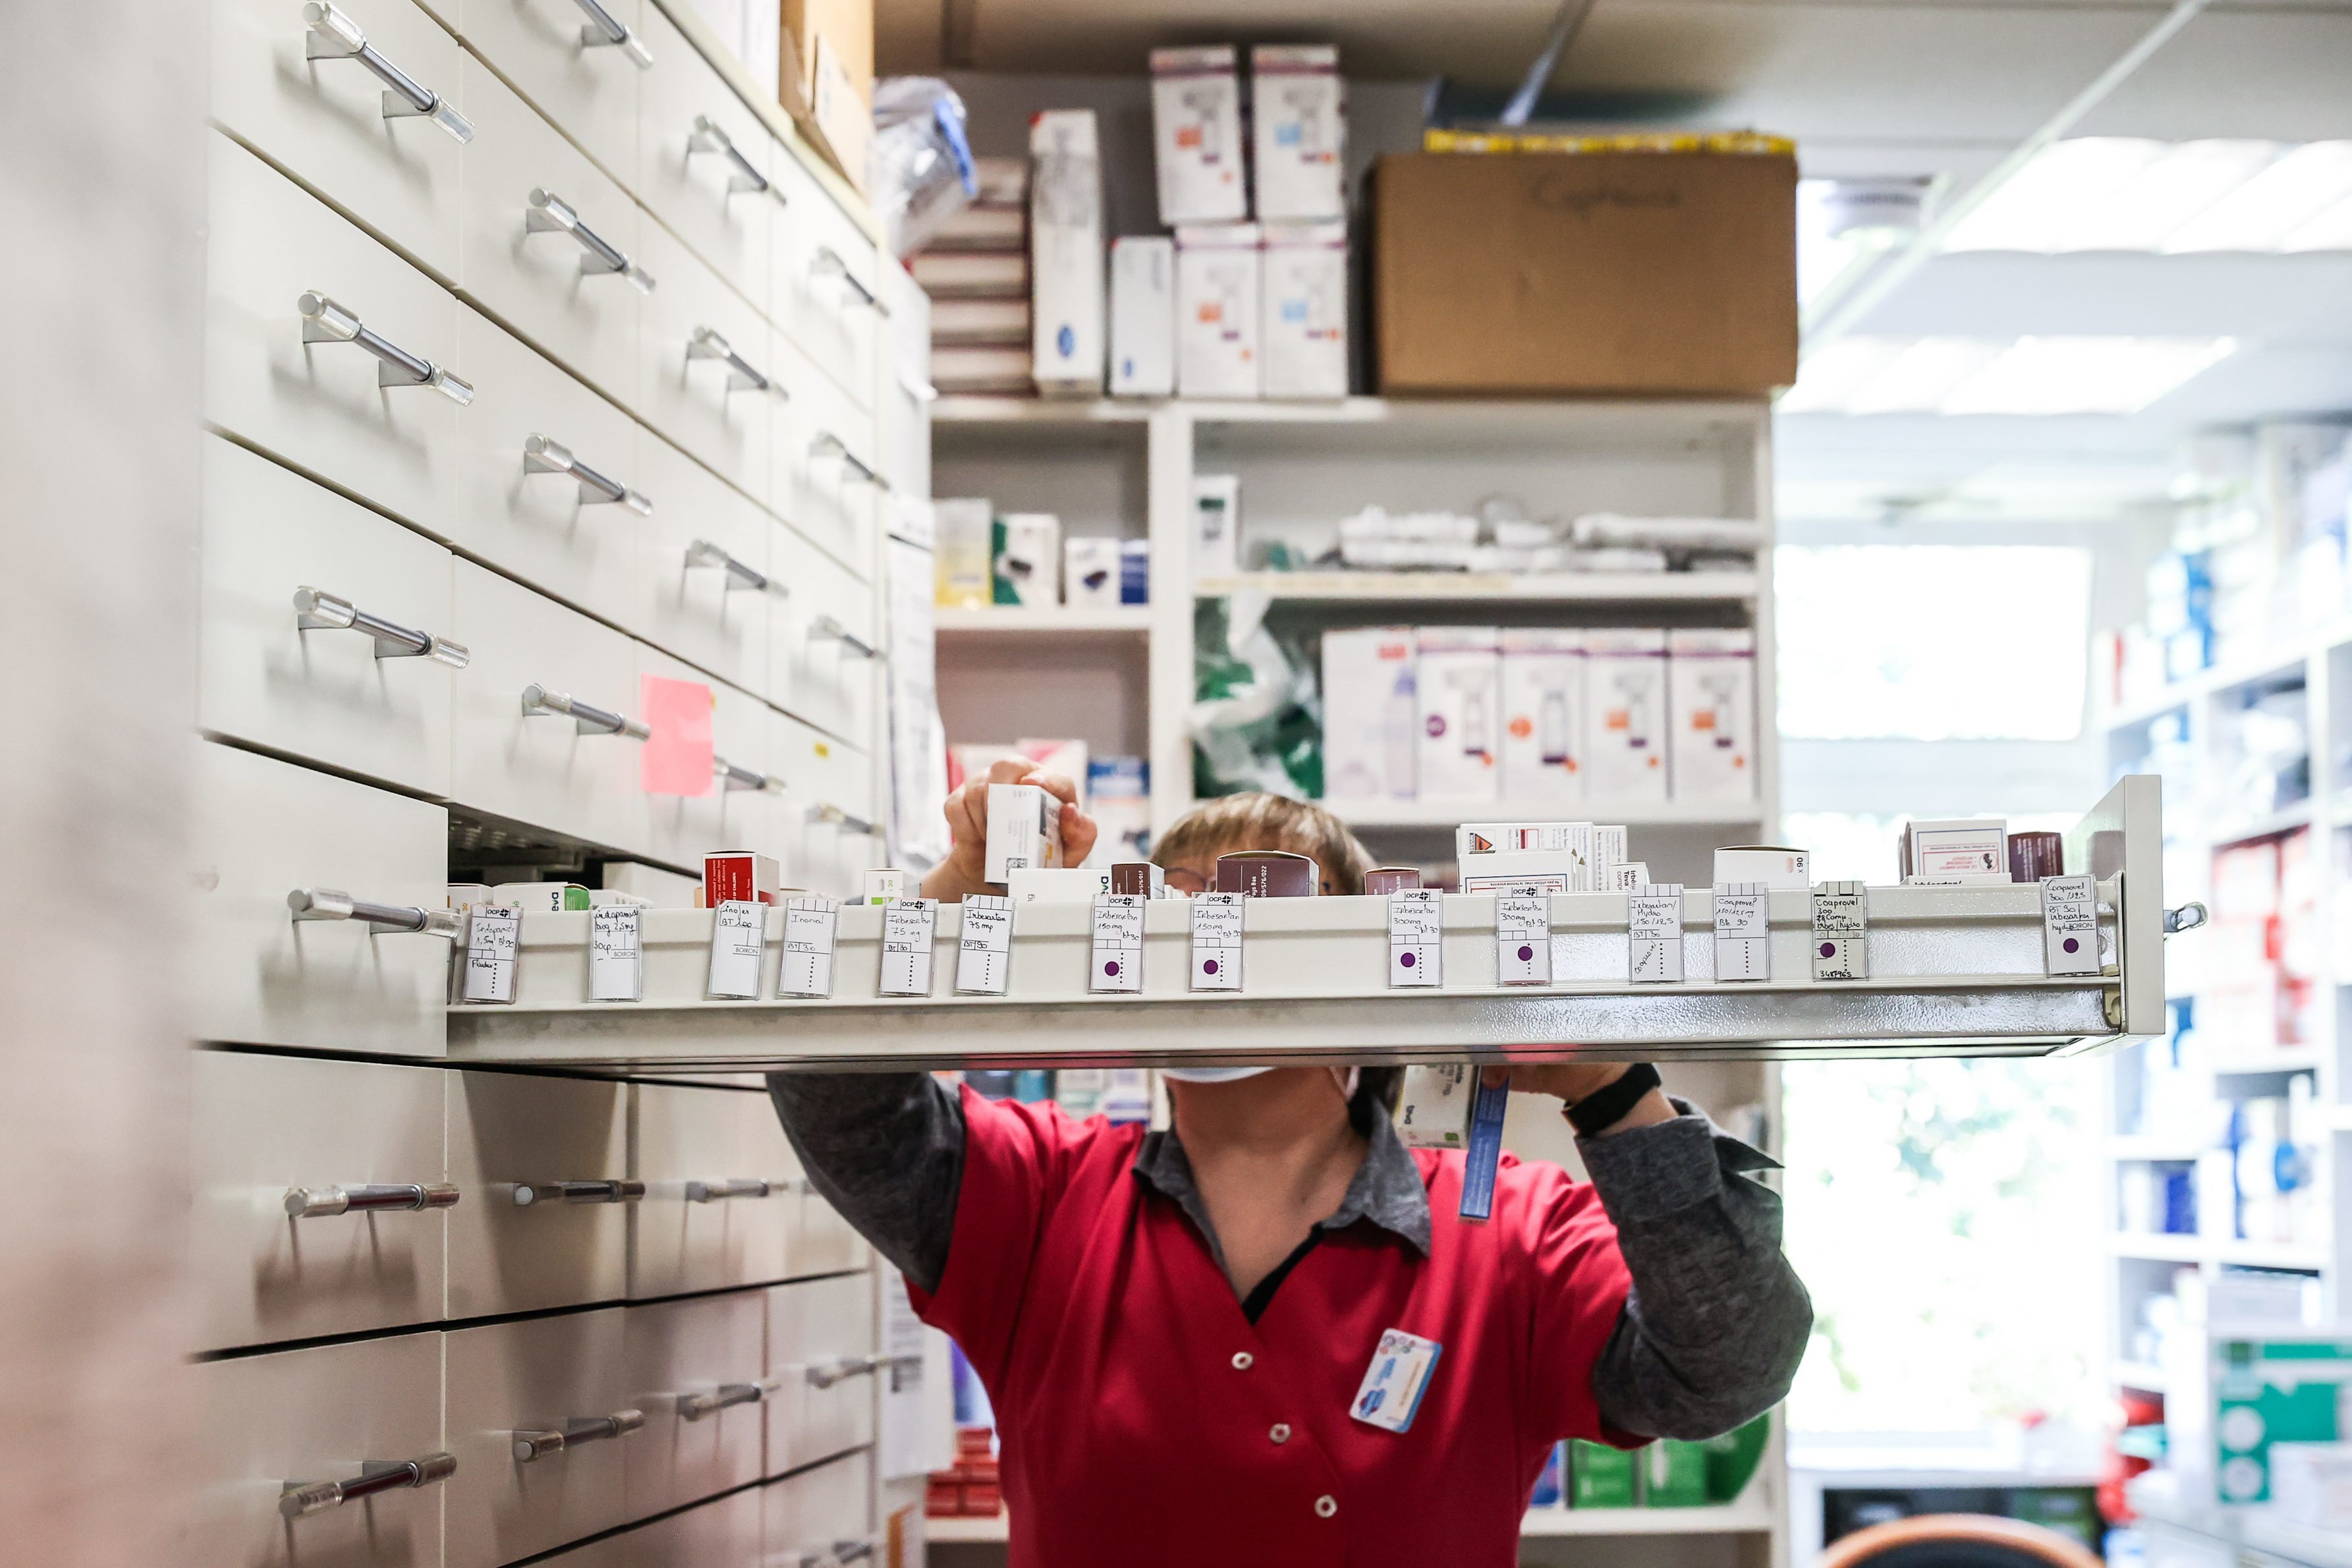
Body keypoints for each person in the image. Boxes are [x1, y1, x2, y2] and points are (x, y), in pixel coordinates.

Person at [770, 758, 1812, 1567]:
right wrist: (960, 890)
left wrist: (1612, 1088)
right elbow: (832, 1093)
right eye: (1178, 910)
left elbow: (1726, 1370)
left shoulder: (1511, 1229)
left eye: (1263, 910)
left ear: (1365, 969)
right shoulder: (1034, 1194)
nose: (1213, 949)